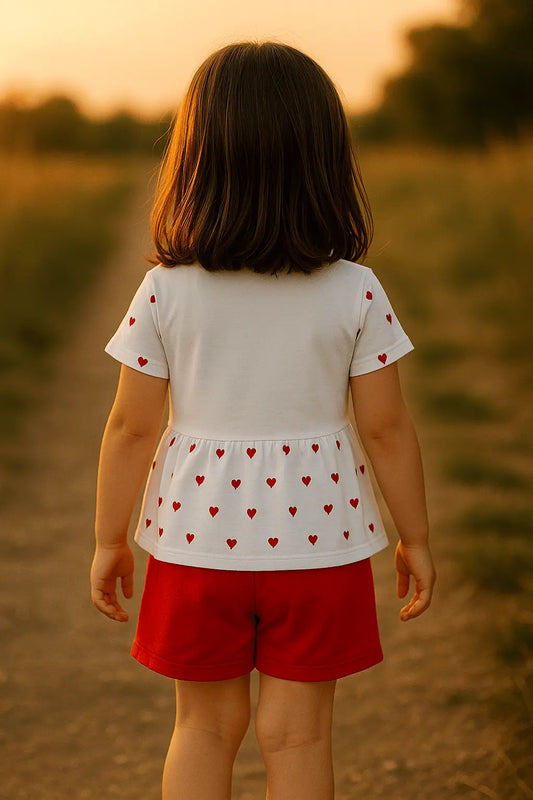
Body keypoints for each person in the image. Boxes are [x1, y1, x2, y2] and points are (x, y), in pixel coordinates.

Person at [91, 40, 436, 800]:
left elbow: (129, 430)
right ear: (322, 158)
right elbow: (386, 429)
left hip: (193, 541)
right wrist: (412, 536)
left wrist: (111, 538)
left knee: (203, 729)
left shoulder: (166, 292)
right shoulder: (354, 290)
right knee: (300, 734)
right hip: (325, 542)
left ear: (196, 158)